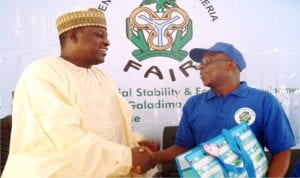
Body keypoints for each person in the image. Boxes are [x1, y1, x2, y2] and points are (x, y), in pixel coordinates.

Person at [2, 8, 157, 178]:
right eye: (99, 35)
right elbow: (64, 138)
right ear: (73, 36)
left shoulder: (103, 78)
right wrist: (127, 156)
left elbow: (113, 129)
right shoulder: (43, 73)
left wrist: (135, 143)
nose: (107, 42)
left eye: (106, 36)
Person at [152, 42, 296, 177]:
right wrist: (151, 158)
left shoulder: (264, 101)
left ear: (231, 66)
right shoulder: (193, 104)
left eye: (207, 62)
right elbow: (182, 147)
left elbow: (281, 151)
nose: (199, 67)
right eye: (199, 64)